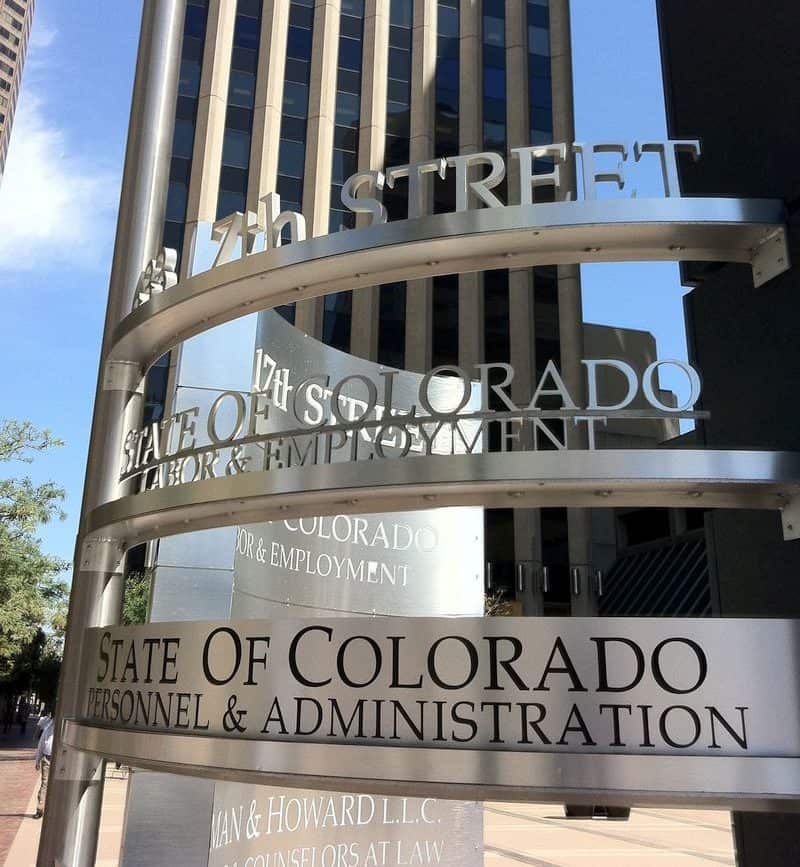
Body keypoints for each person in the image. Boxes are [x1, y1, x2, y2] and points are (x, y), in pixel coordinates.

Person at [34, 715, 54, 819]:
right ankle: (40, 808)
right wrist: (37, 760)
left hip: (59, 760)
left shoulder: (65, 727)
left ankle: (53, 809)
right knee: (45, 783)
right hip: (47, 759)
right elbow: (41, 744)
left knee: (55, 784)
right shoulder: (48, 727)